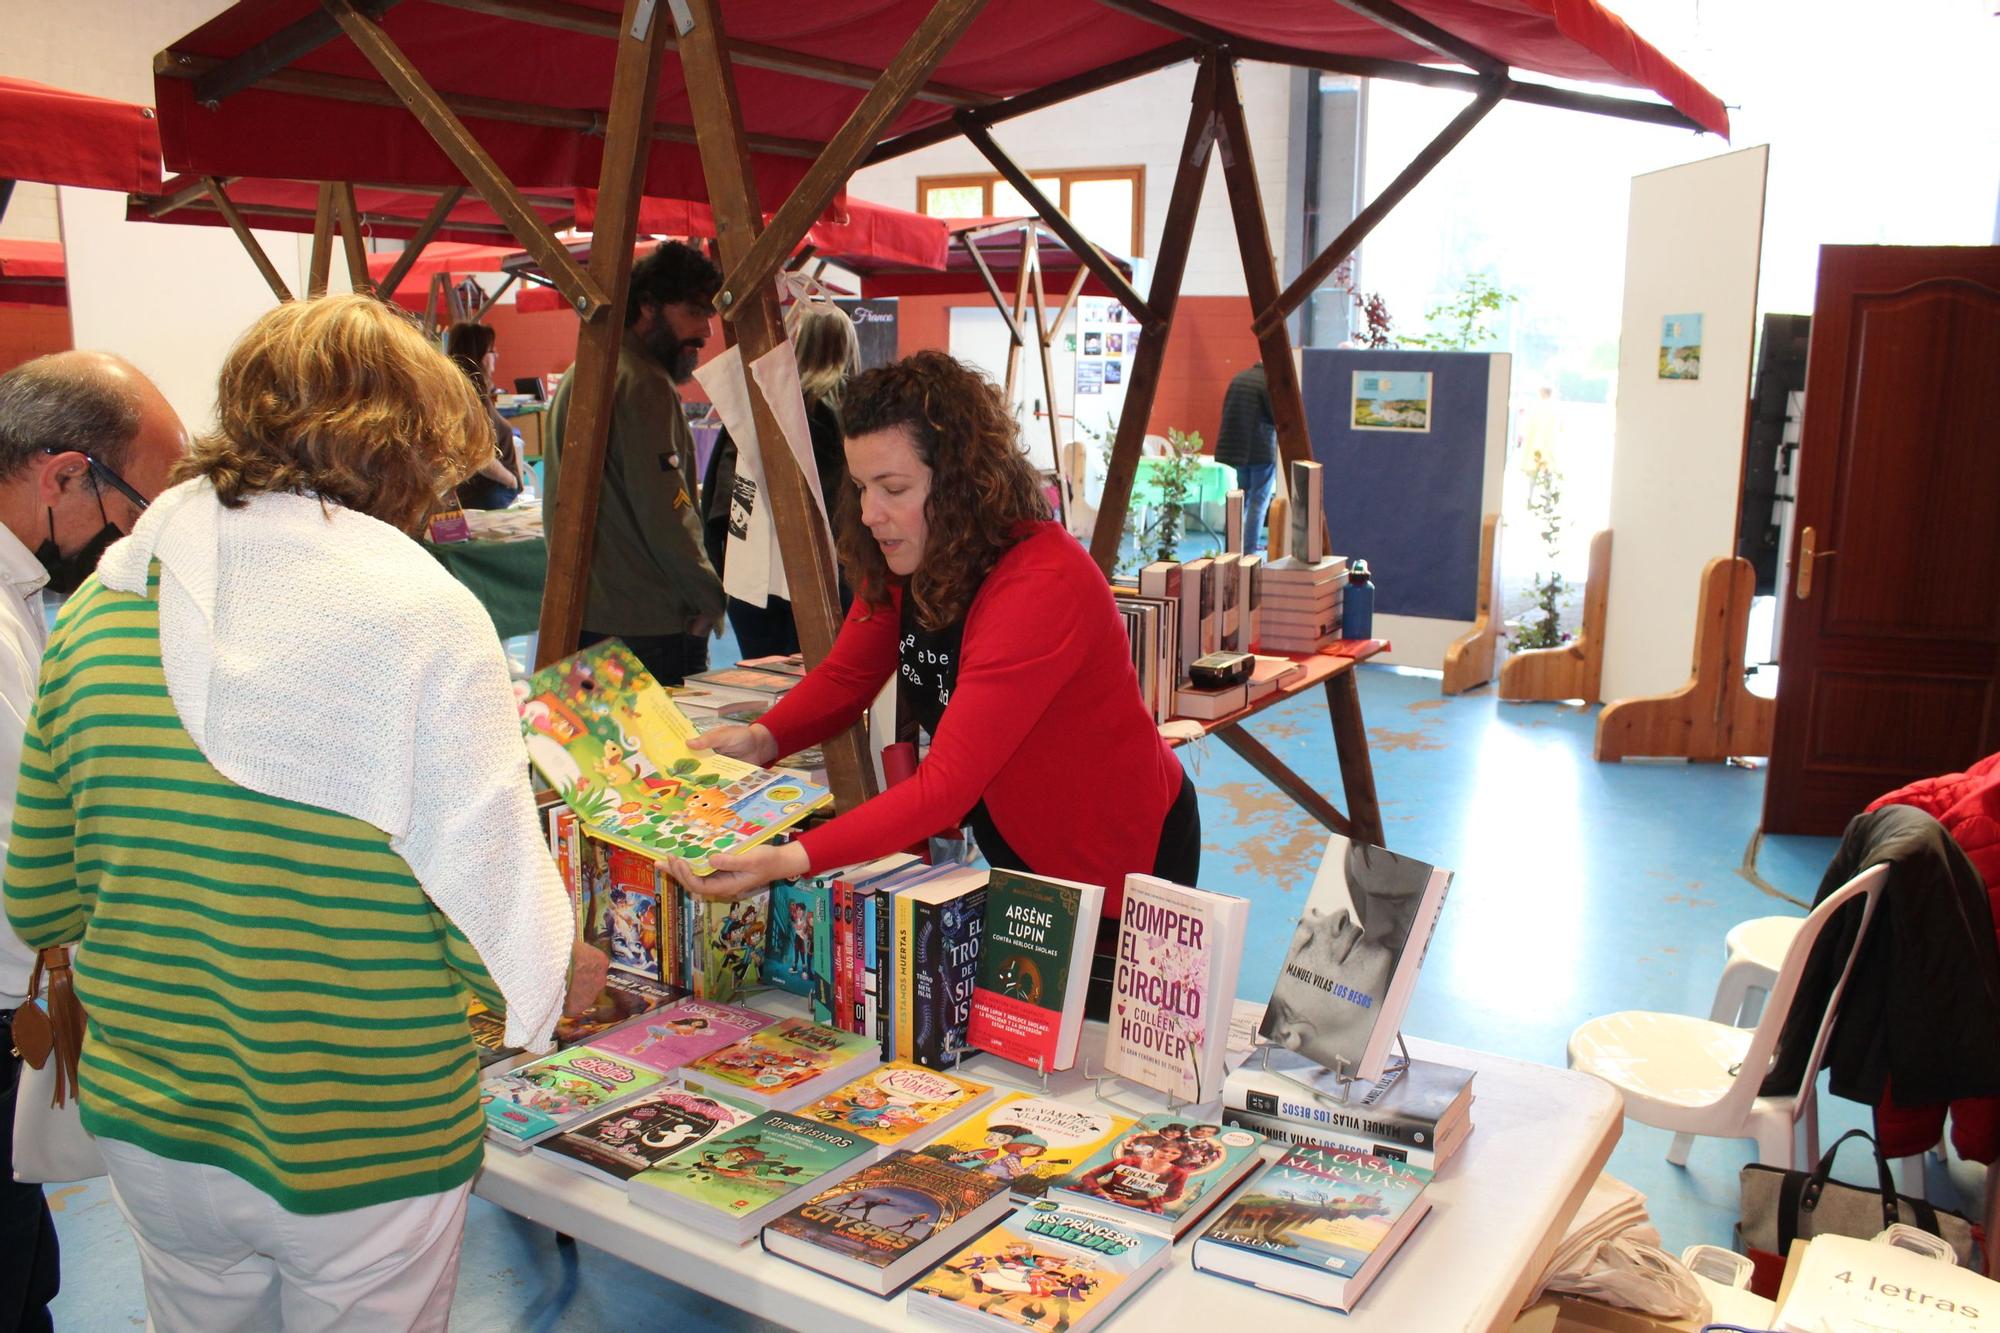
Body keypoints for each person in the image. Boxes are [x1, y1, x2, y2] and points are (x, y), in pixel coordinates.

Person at [2, 296, 601, 1332]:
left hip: (156, 1113)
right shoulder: (416, 614)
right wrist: (561, 968)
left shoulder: (106, 601)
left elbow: (39, 886)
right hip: (363, 1123)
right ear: (403, 453)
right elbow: (488, 923)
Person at [672, 351, 1199, 1011]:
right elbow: (847, 675)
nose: (870, 513)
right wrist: (759, 737)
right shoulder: (911, 557)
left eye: (893, 489)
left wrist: (786, 860)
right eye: (861, 487)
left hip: (1121, 857)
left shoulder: (1042, 583)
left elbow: (944, 790)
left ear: (957, 482)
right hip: (1021, 840)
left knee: (1095, 1041)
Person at [0, 350, 186, 1333]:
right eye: (136, 508)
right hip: (10, 1004)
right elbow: (29, 866)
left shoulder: (28, 598)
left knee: (28, 1270)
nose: (135, 543)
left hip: (20, 1005)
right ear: (64, 474)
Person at [544, 241, 725, 685]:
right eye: (694, 311)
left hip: (587, 613)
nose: (705, 332)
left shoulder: (586, 370)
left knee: (596, 754)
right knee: (661, 755)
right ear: (648, 306)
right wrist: (709, 599)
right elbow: (668, 514)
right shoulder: (643, 384)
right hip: (645, 627)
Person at [701, 298, 859, 657]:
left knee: (767, 687)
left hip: (753, 579)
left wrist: (723, 568)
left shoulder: (756, 405)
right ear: (848, 346)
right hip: (827, 580)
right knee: (824, 688)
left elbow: (721, 500)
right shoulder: (854, 412)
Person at [442, 322, 522, 510]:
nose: (497, 357)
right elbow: (479, 457)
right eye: (492, 352)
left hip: (488, 495)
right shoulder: (470, 399)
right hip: (487, 498)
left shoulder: (469, 395)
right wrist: (511, 480)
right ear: (481, 357)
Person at [1213, 361, 1276, 553]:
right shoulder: (1268, 382)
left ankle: (1232, 550)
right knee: (1259, 501)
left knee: (1242, 500)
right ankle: (1249, 552)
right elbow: (1278, 416)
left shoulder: (1239, 378)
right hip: (1262, 449)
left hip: (1238, 450)